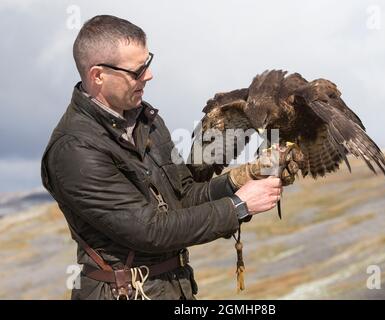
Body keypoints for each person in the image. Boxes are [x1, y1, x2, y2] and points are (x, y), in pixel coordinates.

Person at [41, 15, 298, 300]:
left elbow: (183, 196)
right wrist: (238, 206)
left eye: (148, 63)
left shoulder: (146, 121)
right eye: (137, 71)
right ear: (98, 75)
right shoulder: (74, 150)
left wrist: (241, 178)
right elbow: (149, 231)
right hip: (122, 294)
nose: (148, 76)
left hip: (174, 290)